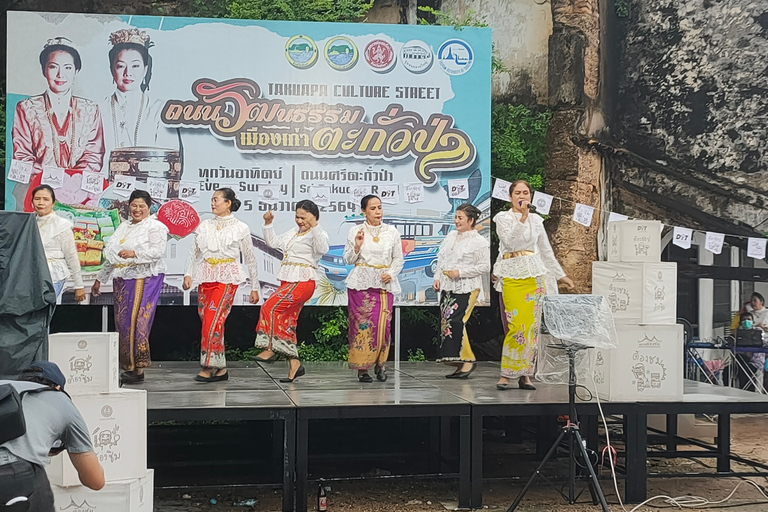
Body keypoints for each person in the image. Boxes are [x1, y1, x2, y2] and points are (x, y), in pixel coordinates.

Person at [493, 180, 574, 391]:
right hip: (511, 274)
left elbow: (545, 250)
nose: (522, 196)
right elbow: (510, 242)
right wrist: (523, 217)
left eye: (526, 193)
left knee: (531, 328)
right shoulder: (503, 218)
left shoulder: (537, 220)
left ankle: (526, 375)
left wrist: (560, 275)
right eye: (518, 193)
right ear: (510, 196)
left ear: (531, 197)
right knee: (515, 325)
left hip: (534, 276)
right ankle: (506, 373)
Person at [12, 37, 104, 212]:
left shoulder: (90, 109)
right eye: (53, 67)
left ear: (76, 70)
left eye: (68, 68)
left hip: (79, 193)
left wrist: (70, 185)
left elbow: (94, 155)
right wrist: (51, 182)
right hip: (36, 190)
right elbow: (22, 156)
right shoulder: (26, 107)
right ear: (44, 70)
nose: (61, 75)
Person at [0, 362, 104, 511]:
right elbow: (94, 480)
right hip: (16, 473)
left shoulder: (4, 386)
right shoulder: (60, 399)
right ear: (57, 387)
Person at [91, 190, 168, 384]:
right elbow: (111, 255)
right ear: (128, 206)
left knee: (138, 319)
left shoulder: (155, 226)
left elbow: (157, 252)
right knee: (123, 321)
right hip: (122, 278)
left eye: (141, 206)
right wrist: (100, 278)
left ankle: (139, 367)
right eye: (134, 205)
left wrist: (133, 253)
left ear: (149, 207)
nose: (137, 209)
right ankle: (129, 366)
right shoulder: (123, 227)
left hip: (145, 276)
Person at [183, 188, 259, 382]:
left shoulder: (240, 227)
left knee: (212, 319)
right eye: (212, 200)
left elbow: (250, 259)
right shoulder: (205, 225)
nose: (213, 203)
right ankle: (221, 367)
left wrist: (254, 286)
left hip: (227, 277)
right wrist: (188, 273)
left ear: (228, 203)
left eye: (216, 200)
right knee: (211, 321)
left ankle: (208, 366)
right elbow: (194, 252)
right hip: (207, 275)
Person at [253, 200, 329, 382]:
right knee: (286, 322)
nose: (300, 221)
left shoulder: (318, 234)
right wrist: (268, 223)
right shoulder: (293, 233)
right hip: (288, 280)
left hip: (302, 281)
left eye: (304, 217)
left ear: (313, 216)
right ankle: (294, 364)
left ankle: (269, 348)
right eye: (297, 217)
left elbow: (323, 249)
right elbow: (273, 243)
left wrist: (315, 226)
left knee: (269, 308)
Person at [343, 195, 404, 383]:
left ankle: (381, 364)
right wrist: (357, 246)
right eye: (373, 208)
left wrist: (391, 273)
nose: (378, 212)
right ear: (364, 211)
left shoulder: (392, 232)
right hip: (360, 284)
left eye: (379, 207)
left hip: (383, 285)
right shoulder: (356, 230)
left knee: (383, 326)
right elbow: (348, 259)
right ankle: (362, 368)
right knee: (362, 326)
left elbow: (398, 259)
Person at [432, 204, 490, 378]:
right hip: (448, 285)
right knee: (447, 323)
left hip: (468, 287)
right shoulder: (450, 236)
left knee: (457, 321)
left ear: (471, 220)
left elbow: (485, 266)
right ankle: (458, 360)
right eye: (456, 217)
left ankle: (467, 359)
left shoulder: (479, 241)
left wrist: (460, 272)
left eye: (460, 218)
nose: (456, 221)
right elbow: (441, 258)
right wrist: (437, 277)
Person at [100, 28, 177, 160]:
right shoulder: (98, 109)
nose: (128, 73)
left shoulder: (160, 110)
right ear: (112, 69)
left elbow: (169, 160)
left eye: (135, 66)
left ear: (145, 70)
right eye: (120, 66)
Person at [31, 185, 85, 302]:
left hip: (53, 276)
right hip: (31, 276)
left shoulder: (62, 225)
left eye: (46, 199)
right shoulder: (28, 222)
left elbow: (71, 256)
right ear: (32, 201)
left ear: (53, 203)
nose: (41, 203)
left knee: (45, 312)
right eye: (37, 199)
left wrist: (79, 285)